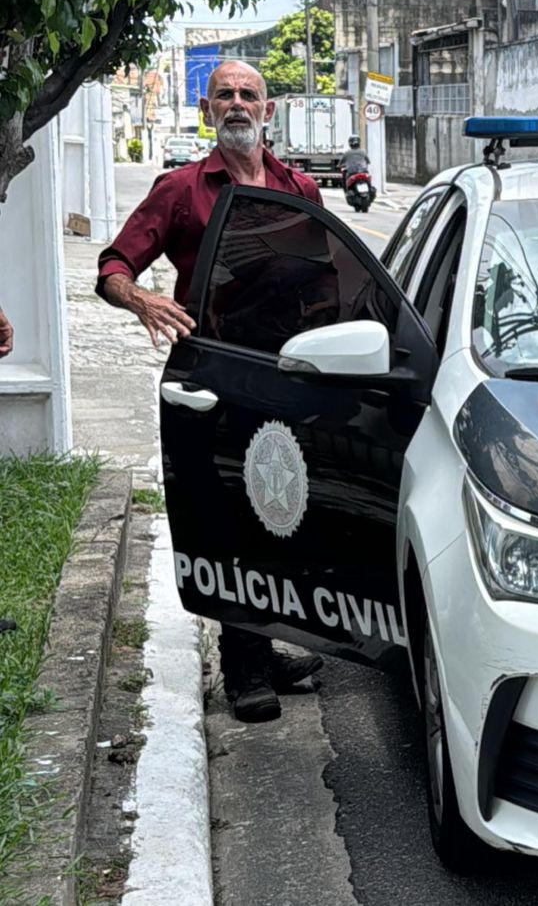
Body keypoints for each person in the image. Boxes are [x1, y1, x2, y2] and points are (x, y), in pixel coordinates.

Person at [97, 61, 326, 724]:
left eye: (247, 94)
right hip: (212, 378)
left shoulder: (300, 188)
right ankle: (245, 667)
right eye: (223, 93)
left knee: (281, 518)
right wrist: (141, 299)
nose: (235, 103)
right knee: (224, 521)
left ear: (268, 109)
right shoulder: (181, 190)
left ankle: (267, 643)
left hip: (285, 378)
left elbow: (327, 288)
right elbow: (113, 264)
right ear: (205, 109)